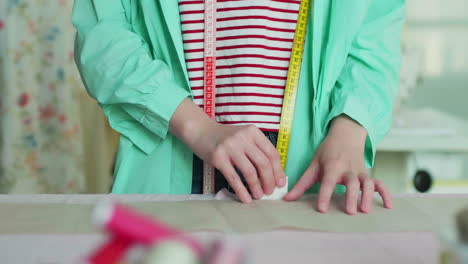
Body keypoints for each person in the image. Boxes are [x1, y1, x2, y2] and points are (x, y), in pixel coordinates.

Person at [72, 0, 405, 215]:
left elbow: (374, 32)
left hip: (308, 177)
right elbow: (103, 37)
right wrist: (196, 126)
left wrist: (349, 129)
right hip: (169, 162)